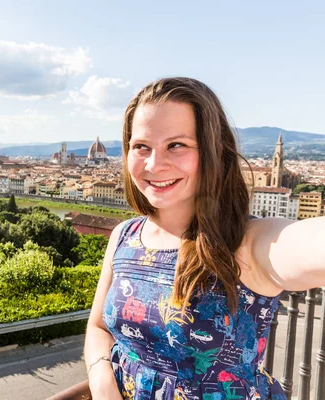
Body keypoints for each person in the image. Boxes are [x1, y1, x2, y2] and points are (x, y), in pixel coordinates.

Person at [84, 77, 324, 400]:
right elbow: (98, 327)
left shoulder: (245, 244)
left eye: (176, 145)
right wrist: (101, 380)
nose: (155, 164)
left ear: (212, 152)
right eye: (141, 146)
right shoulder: (124, 237)